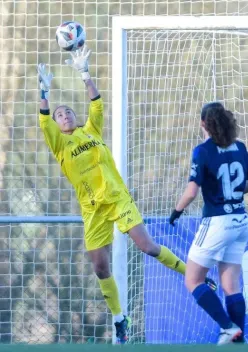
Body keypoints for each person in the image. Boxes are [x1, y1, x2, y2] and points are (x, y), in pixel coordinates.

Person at [37, 46, 215, 344]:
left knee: (147, 246)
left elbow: (96, 101)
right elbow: (43, 116)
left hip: (118, 198)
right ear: (56, 125)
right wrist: (44, 90)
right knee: (99, 266)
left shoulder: (91, 130)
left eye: (68, 111)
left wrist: (85, 74)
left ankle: (193, 276)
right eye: (59, 114)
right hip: (92, 209)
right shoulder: (59, 145)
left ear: (76, 117)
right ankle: (120, 318)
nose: (64, 114)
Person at [169, 102, 248, 345]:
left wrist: (176, 211)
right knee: (231, 285)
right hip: (241, 221)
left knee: (193, 279)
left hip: (217, 222)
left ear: (203, 124)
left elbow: (191, 192)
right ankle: (239, 339)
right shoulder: (239, 147)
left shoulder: (203, 150)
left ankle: (228, 327)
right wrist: (233, 194)